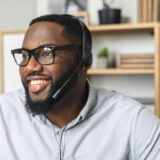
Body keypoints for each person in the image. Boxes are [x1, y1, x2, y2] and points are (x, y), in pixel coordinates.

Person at [0, 14, 160, 160]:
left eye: (47, 53)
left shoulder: (133, 122)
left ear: (84, 60)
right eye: (25, 56)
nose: (30, 67)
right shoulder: (4, 113)